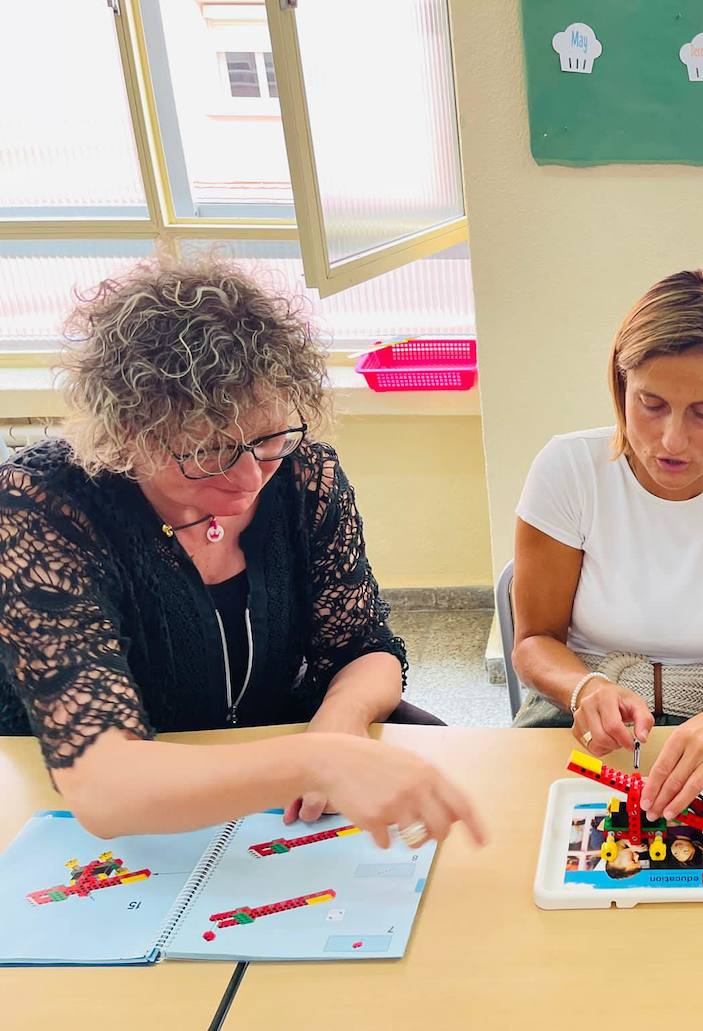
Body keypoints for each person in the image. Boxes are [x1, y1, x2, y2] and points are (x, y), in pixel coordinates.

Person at [0, 257, 483, 851]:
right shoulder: (44, 505)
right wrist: (312, 762)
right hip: (98, 811)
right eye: (207, 452)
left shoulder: (304, 474)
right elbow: (104, 786)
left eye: (269, 439)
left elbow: (364, 649)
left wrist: (340, 721)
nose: (252, 478)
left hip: (280, 777)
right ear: (128, 436)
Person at [511, 269, 703, 823]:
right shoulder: (568, 468)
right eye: (651, 403)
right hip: (580, 706)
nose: (672, 439)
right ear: (621, 385)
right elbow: (534, 641)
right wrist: (584, 687)